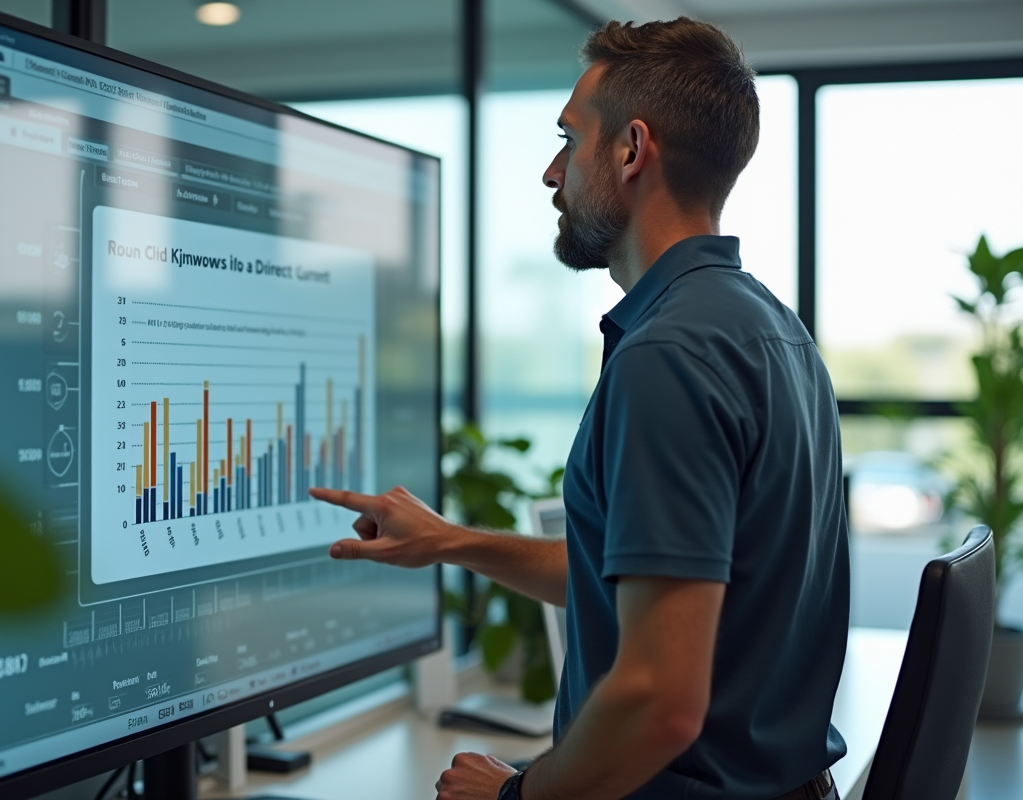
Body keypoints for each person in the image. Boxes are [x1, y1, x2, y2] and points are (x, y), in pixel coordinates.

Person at [311, 17, 849, 800]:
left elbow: (659, 703)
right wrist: (452, 541)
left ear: (631, 150)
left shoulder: (669, 355)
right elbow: (644, 577)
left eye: (569, 138)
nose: (551, 172)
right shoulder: (770, 329)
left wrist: (514, 795)